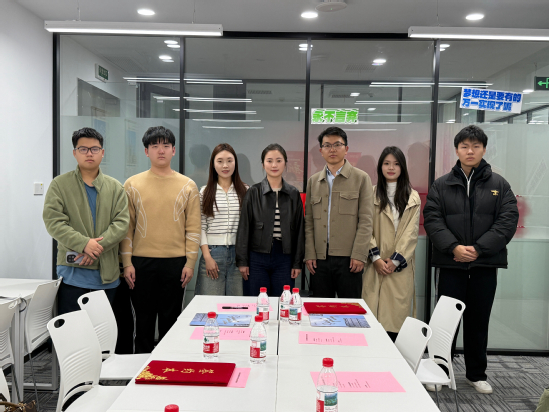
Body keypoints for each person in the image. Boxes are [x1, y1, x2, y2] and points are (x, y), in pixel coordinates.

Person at [423, 125, 519, 394]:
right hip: (451, 264)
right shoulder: (441, 184)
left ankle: (476, 374)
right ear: (456, 150)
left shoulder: (499, 185)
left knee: (478, 321)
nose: (470, 151)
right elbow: (432, 219)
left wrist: (479, 248)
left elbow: (508, 220)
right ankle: (440, 371)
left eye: (476, 146)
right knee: (445, 322)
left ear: (484, 149)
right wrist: (453, 247)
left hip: (484, 264)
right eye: (464, 146)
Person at [120, 126, 201, 353]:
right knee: (143, 322)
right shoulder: (132, 184)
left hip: (176, 263)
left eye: (166, 145)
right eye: (154, 146)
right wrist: (126, 263)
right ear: (146, 151)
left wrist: (190, 263)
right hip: (140, 263)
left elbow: (193, 228)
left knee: (171, 320)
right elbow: (127, 228)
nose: (161, 150)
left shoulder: (188, 185)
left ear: (174, 150)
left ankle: (168, 363)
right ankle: (141, 367)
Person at [43, 127, 129, 315]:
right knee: (73, 329)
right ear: (75, 153)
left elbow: (121, 224)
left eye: (94, 149)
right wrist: (83, 244)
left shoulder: (116, 188)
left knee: (102, 330)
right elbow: (54, 222)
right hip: (72, 274)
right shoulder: (60, 185)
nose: (89, 153)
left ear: (102, 152)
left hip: (107, 275)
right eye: (83, 149)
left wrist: (95, 247)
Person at [305, 127, 374, 298]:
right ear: (321, 151)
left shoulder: (361, 178)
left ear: (346, 149)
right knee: (320, 309)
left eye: (337, 144)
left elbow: (366, 221)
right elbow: (309, 222)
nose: (332, 149)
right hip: (319, 259)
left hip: (349, 260)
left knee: (349, 309)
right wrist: (310, 253)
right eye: (327, 145)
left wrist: (359, 254)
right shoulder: (313, 181)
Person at [362, 146, 421, 342]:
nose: (391, 168)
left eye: (396, 164)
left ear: (402, 167)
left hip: (399, 268)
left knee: (395, 319)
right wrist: (376, 258)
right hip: (374, 264)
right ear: (380, 166)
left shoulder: (412, 197)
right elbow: (365, 227)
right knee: (371, 317)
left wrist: (395, 261)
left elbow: (411, 233)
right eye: (386, 163)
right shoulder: (370, 194)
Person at [236, 144, 305, 297]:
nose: (274, 165)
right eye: (269, 161)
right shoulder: (253, 192)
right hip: (256, 257)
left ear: (285, 164)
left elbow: (300, 229)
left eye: (279, 161)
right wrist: (242, 261)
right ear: (263, 164)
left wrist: (297, 262)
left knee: (282, 302)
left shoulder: (293, 193)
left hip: (285, 257)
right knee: (257, 301)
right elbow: (244, 228)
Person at [195, 143, 248, 296]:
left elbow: (249, 227)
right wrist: (207, 257)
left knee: (237, 304)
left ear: (235, 163)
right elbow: (201, 226)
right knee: (209, 303)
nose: (225, 165)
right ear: (213, 164)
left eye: (229, 160)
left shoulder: (246, 191)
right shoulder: (205, 192)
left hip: (238, 255)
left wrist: (245, 258)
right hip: (213, 253)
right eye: (220, 161)